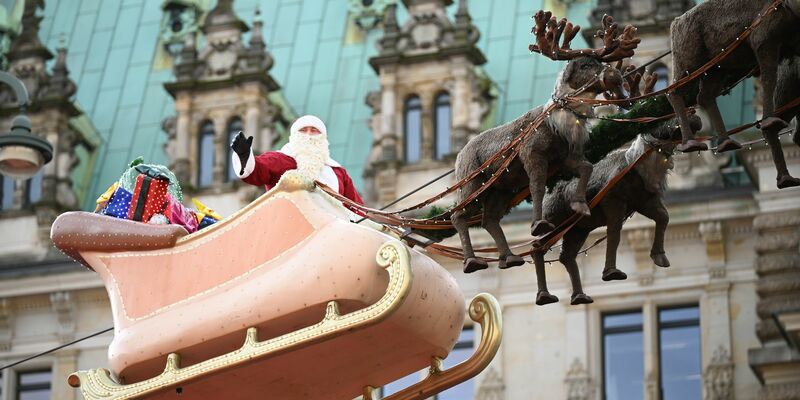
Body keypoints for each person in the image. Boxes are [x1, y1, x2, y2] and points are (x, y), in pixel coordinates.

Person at [230, 115, 364, 205]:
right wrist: (244, 155)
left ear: (323, 137)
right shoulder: (282, 160)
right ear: (294, 136)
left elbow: (356, 208)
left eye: (314, 130)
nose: (309, 135)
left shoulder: (338, 172)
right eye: (303, 130)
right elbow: (258, 170)